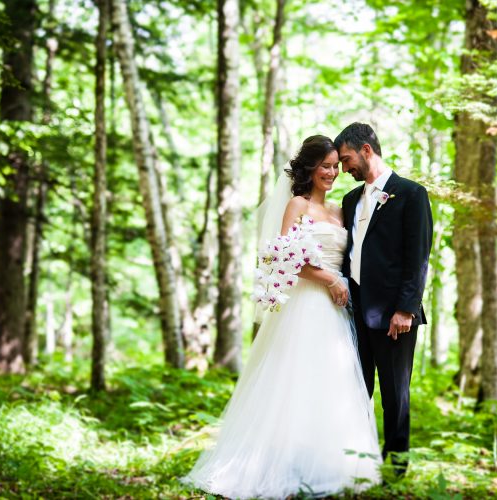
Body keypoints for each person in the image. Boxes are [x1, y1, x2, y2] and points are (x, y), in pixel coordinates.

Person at [183, 135, 381, 499]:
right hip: (304, 305)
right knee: (293, 381)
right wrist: (327, 279)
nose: (333, 173)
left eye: (336, 165)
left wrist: (342, 284)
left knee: (330, 385)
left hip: (336, 312)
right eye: (325, 166)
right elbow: (282, 259)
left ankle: (326, 464)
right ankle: (279, 466)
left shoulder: (340, 211)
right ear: (309, 168)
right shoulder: (297, 205)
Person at [336, 123, 433, 475]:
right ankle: (358, 465)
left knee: (395, 395)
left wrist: (405, 308)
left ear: (366, 150)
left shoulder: (410, 193)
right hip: (355, 311)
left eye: (346, 159)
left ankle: (396, 470)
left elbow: (418, 256)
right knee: (356, 388)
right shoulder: (350, 200)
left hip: (395, 315)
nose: (344, 168)